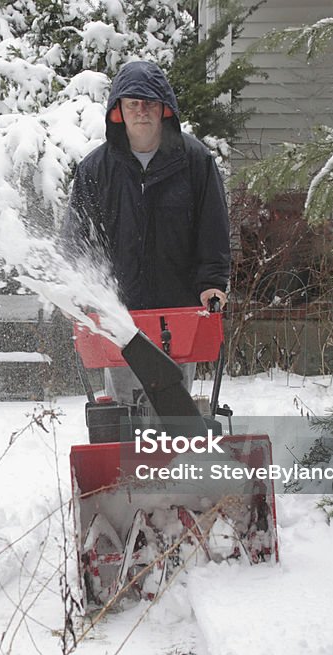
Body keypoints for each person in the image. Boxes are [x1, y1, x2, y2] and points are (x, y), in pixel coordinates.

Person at [63, 61, 232, 403]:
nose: (141, 112)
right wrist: (77, 291)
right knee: (125, 411)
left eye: (149, 103)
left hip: (179, 310)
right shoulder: (96, 170)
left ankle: (177, 455)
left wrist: (212, 282)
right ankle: (128, 457)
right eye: (132, 104)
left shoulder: (195, 162)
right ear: (118, 112)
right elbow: (77, 236)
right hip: (120, 313)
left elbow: (212, 227)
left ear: (164, 108)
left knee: (175, 405)